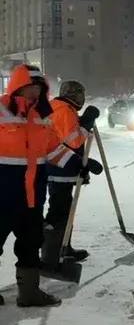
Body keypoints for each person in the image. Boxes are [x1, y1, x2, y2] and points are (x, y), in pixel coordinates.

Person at [0, 65, 83, 306]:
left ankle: (29, 293)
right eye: (30, 88)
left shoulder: (41, 118)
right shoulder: (2, 111)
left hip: (32, 196)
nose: (34, 93)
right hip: (2, 194)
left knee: (31, 243)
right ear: (18, 87)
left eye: (39, 89)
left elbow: (53, 149)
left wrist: (77, 163)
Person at [42, 80, 102, 267]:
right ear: (73, 95)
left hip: (64, 167)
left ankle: (63, 246)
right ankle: (52, 254)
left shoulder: (62, 108)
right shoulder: (63, 111)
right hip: (59, 169)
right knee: (59, 212)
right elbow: (73, 141)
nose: (81, 99)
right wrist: (86, 122)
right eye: (79, 94)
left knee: (66, 211)